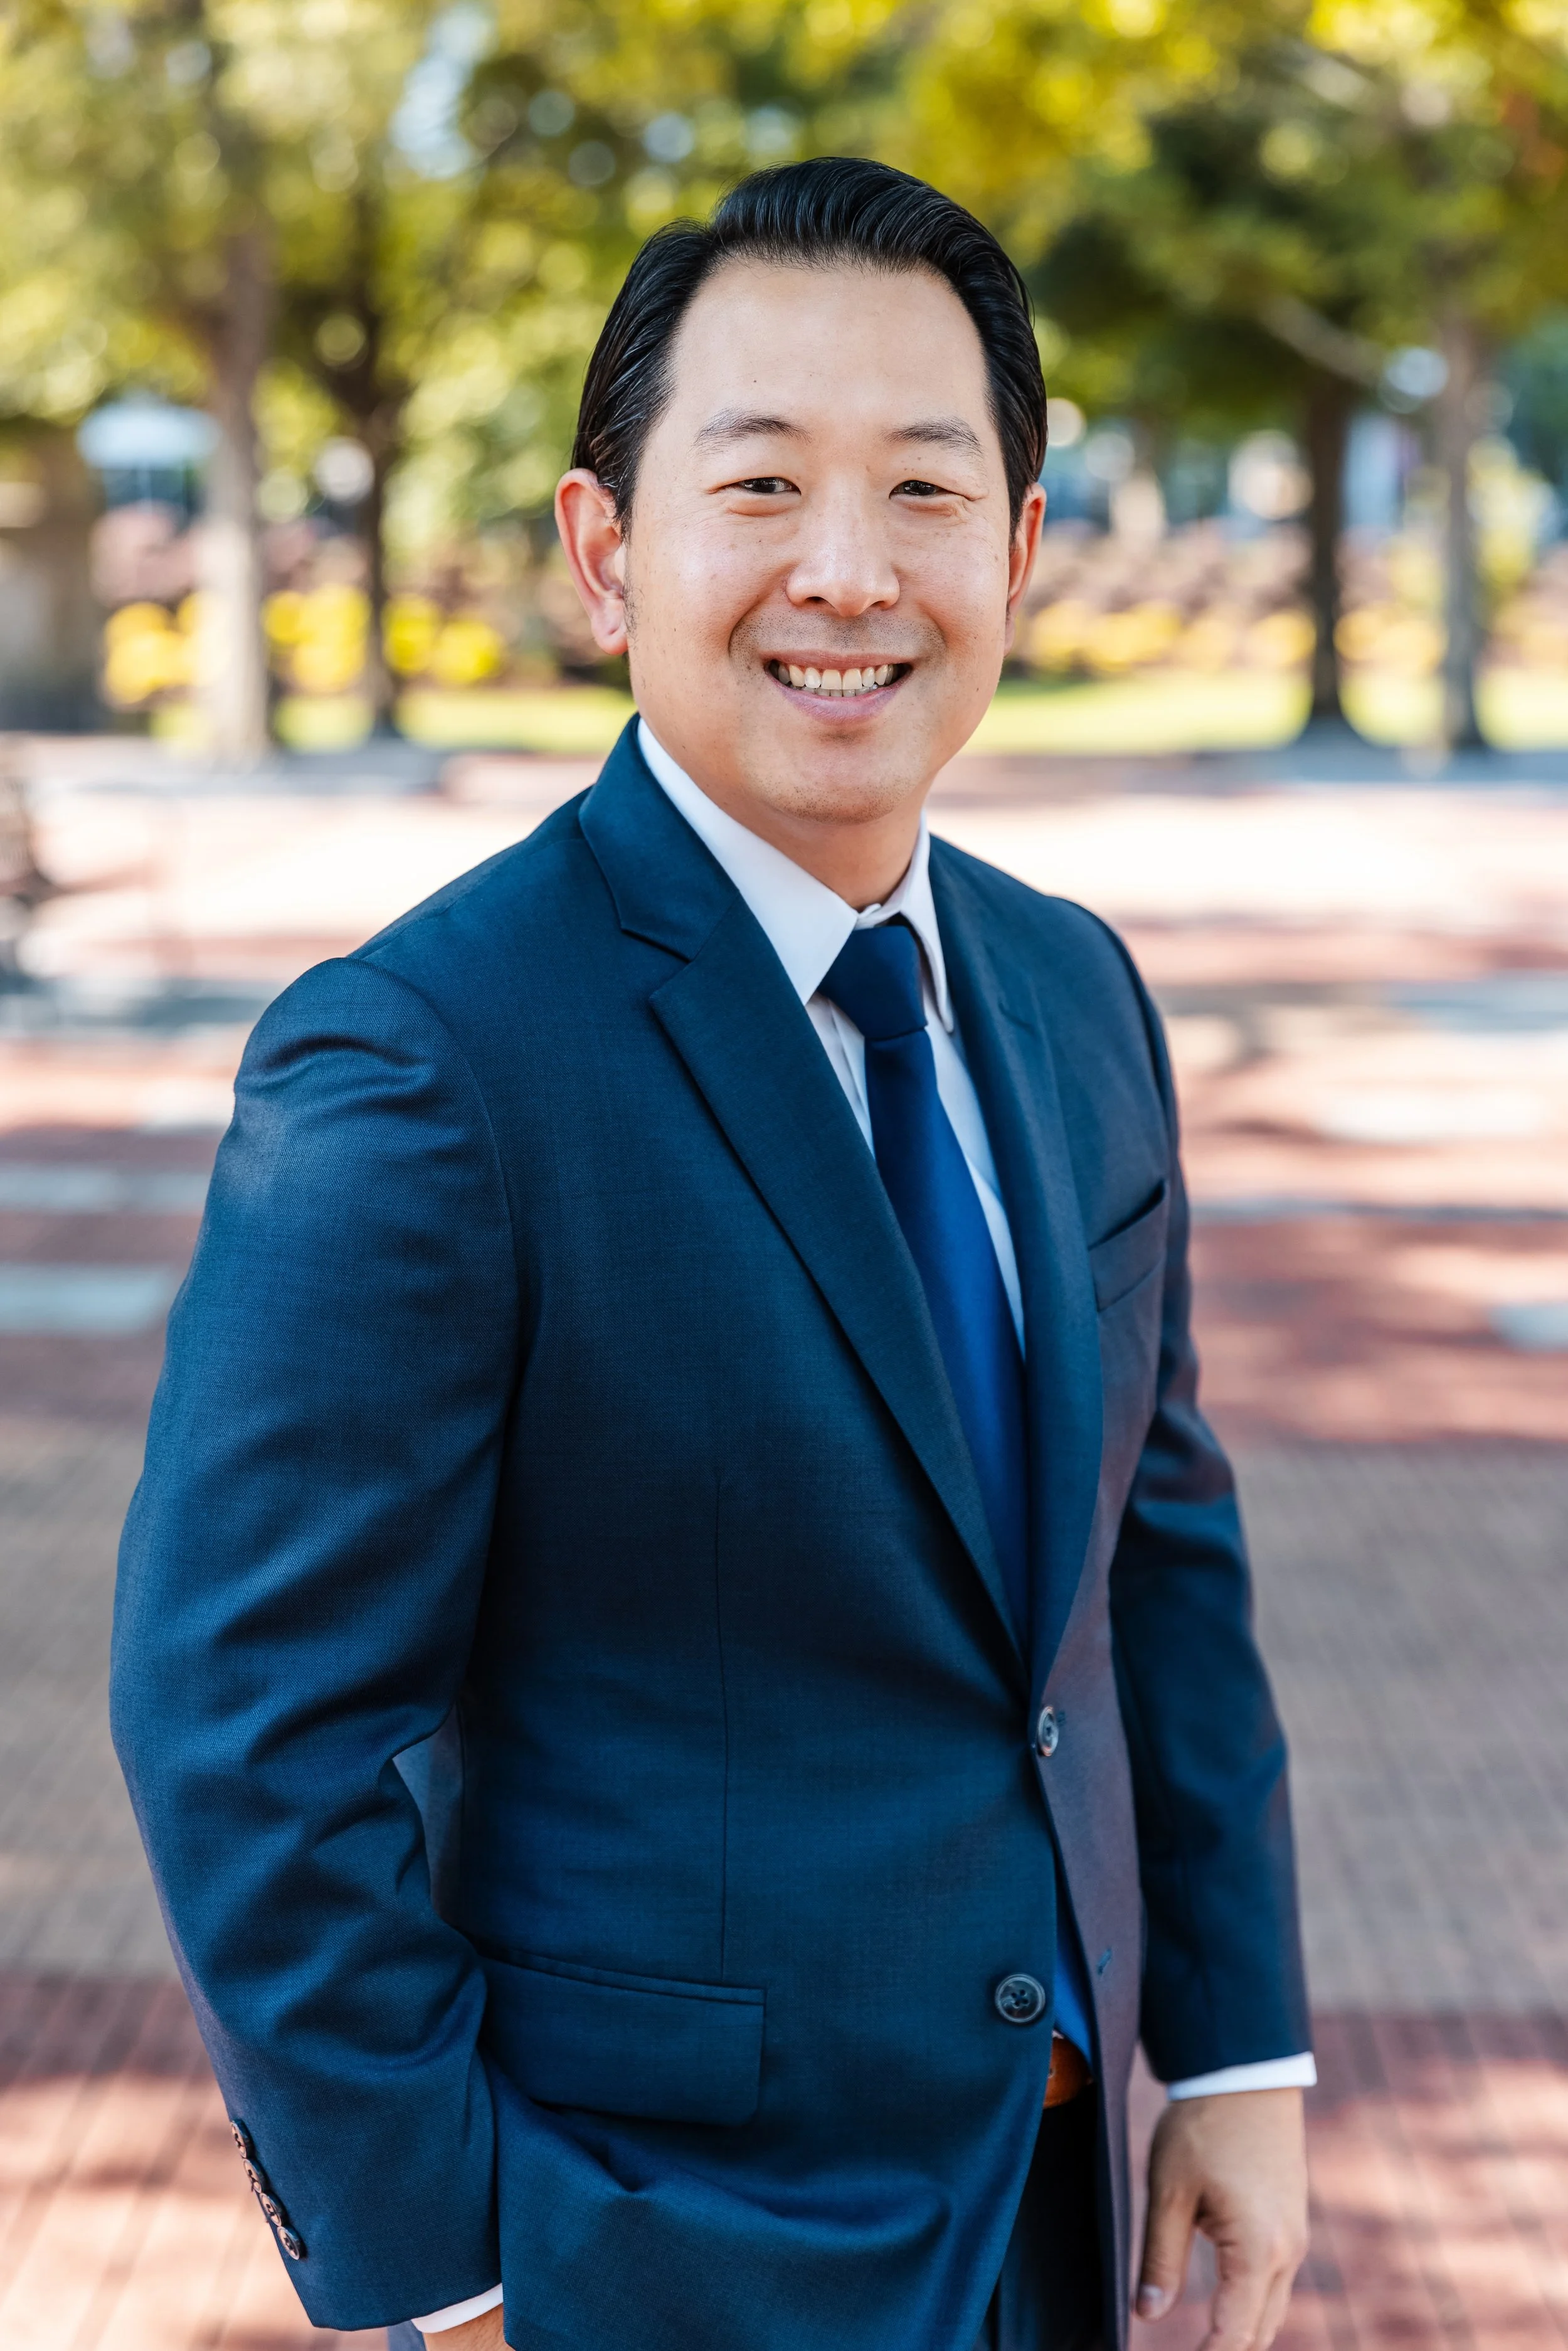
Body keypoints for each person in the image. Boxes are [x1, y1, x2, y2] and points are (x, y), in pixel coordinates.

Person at [111, 157, 1313, 2351]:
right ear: (607, 552)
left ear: (1020, 553)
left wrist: (1233, 2053)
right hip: (639, 2259)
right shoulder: (426, 1060)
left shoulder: (1072, 994)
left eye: (924, 494)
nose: (844, 574)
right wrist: (446, 2263)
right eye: (756, 485)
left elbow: (1154, 1544)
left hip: (1050, 2232)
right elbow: (240, 1721)